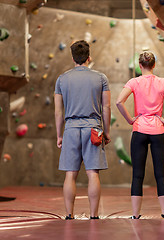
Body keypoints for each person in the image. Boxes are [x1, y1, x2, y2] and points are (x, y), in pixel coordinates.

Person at [116, 51, 164, 219]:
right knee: (161, 174)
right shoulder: (163, 82)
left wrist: (130, 120)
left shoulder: (134, 82)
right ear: (154, 65)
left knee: (137, 174)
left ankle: (135, 215)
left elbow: (118, 102)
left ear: (140, 66)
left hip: (139, 130)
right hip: (158, 131)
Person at [54, 40, 111, 220]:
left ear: (73, 58)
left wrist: (59, 135)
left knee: (70, 174)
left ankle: (69, 215)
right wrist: (106, 132)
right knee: (93, 173)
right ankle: (94, 216)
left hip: (70, 129)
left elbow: (58, 111)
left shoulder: (62, 79)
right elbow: (107, 107)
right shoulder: (101, 78)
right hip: (94, 128)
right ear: (89, 57)